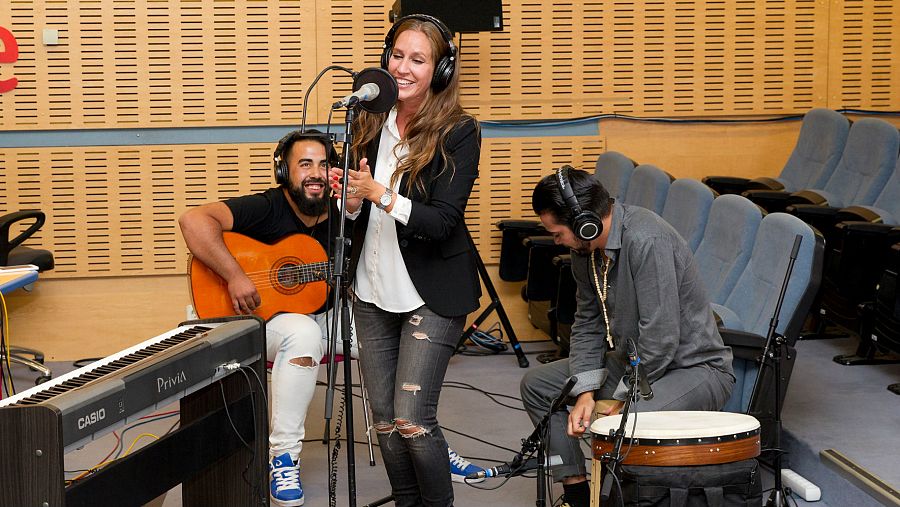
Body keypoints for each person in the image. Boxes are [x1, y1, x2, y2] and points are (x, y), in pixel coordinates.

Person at [328, 13, 483, 507]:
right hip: (372, 291)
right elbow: (353, 218)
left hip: (430, 294)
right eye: (397, 55)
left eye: (418, 59)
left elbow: (441, 222)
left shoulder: (459, 132)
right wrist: (350, 200)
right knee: (385, 425)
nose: (403, 67)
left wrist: (380, 194)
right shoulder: (370, 122)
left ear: (439, 70)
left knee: (413, 420)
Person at [519, 167, 735, 507]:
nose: (556, 241)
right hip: (633, 363)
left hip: (694, 370)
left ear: (583, 223)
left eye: (558, 233)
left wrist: (617, 401)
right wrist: (586, 391)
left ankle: (618, 498)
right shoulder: (585, 250)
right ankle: (577, 493)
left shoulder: (648, 240)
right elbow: (588, 321)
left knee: (619, 426)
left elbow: (661, 339)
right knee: (538, 386)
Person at [179, 130, 353, 507]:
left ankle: (415, 433)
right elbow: (193, 221)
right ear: (284, 171)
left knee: (385, 332)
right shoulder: (269, 207)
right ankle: (284, 457)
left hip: (323, 317)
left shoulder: (345, 216)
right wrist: (235, 275)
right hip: (252, 319)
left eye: (324, 164)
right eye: (304, 164)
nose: (315, 174)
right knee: (303, 333)